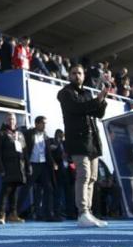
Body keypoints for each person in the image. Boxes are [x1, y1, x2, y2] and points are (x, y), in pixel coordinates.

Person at [57, 64, 109, 228]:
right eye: (73, 73)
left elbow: (98, 113)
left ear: (84, 75)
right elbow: (77, 108)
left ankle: (88, 212)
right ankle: (82, 212)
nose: (77, 76)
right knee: (84, 174)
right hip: (77, 140)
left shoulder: (87, 93)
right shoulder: (65, 93)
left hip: (91, 140)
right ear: (69, 76)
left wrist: (102, 99)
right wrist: (97, 100)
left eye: (79, 73)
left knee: (93, 177)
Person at [0, 113, 28, 224]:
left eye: (12, 119)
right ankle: (1, 215)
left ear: (16, 121)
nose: (11, 121)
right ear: (5, 120)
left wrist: (27, 166)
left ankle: (13, 214)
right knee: (5, 191)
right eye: (9, 119)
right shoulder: (0, 133)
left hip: (19, 168)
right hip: (7, 167)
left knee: (15, 192)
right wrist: (0, 168)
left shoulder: (20, 134)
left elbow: (25, 151)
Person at [23, 116, 60, 221]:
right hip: (32, 164)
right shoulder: (28, 134)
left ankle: (48, 214)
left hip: (43, 165)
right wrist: (27, 164)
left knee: (49, 188)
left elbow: (47, 152)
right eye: (43, 123)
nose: (45, 125)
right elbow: (25, 151)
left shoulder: (45, 136)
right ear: (36, 124)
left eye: (45, 123)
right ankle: (14, 213)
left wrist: (53, 163)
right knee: (26, 189)